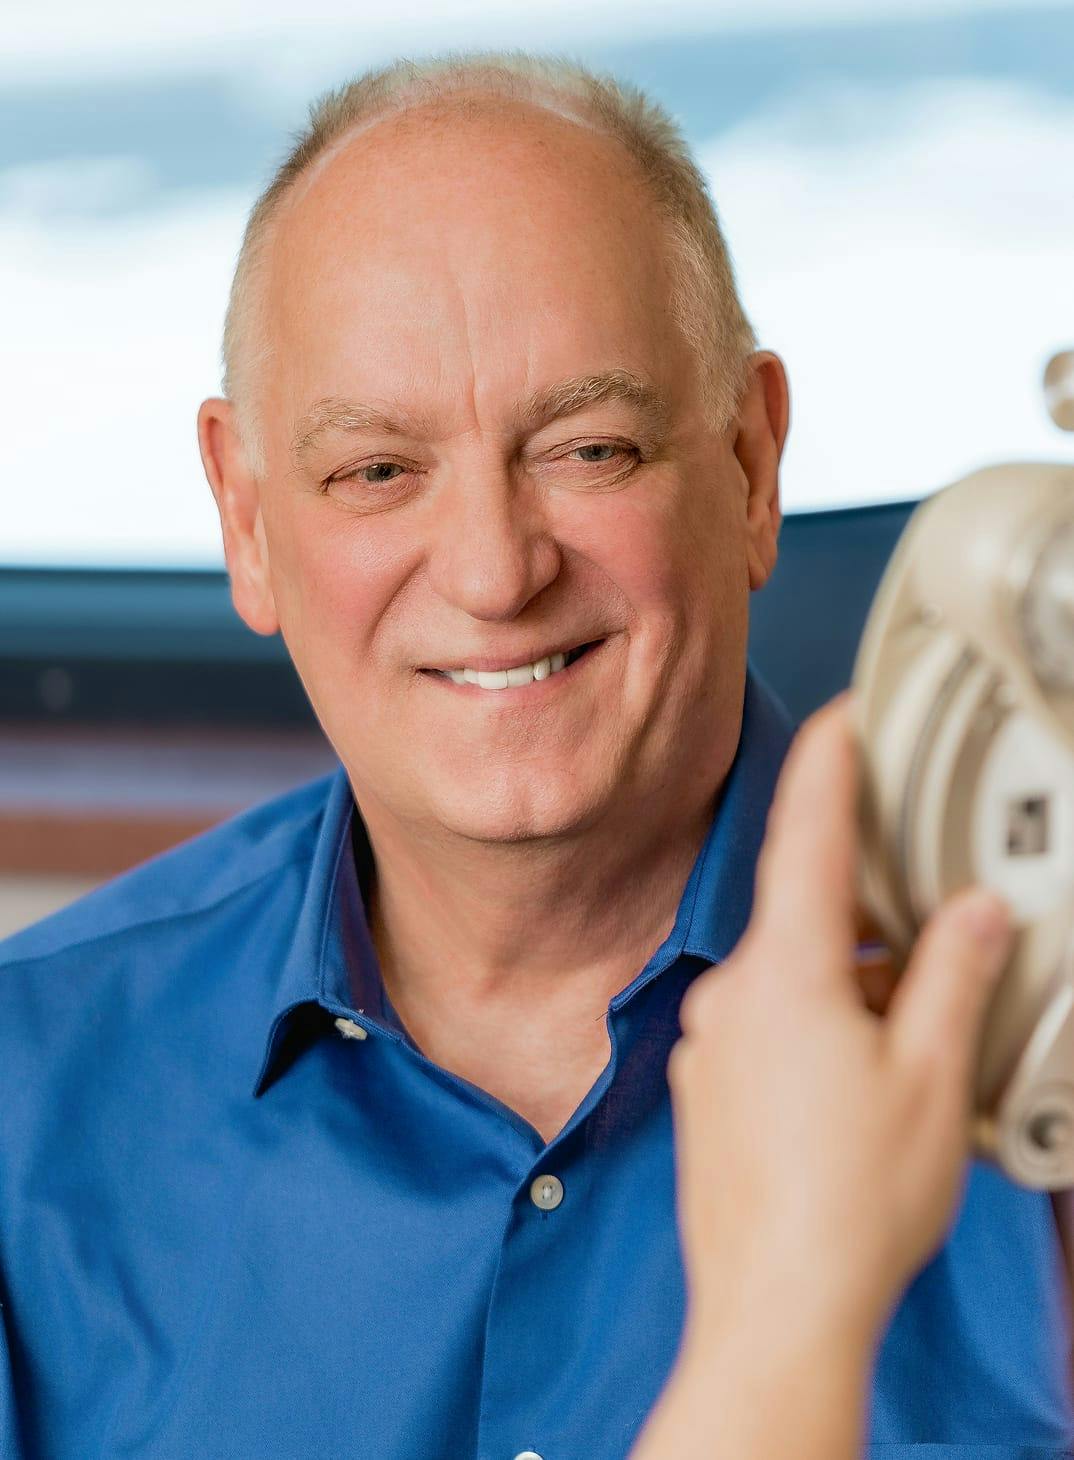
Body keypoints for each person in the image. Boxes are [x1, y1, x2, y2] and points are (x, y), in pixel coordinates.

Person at [0, 51, 1071, 1460]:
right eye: (377, 471)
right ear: (247, 520)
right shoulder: (25, 1099)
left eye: (590, 449)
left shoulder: (1037, 1038)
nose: (496, 574)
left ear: (751, 464)